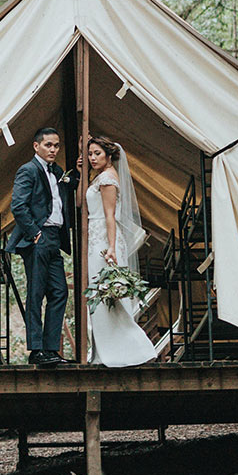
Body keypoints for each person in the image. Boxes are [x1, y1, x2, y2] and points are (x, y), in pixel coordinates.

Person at [77, 136, 157, 367]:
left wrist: (111, 247)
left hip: (104, 239)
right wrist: (81, 170)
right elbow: (81, 203)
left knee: (107, 294)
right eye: (90, 154)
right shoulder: (98, 177)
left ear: (109, 156)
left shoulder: (107, 179)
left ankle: (131, 349)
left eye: (97, 154)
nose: (92, 158)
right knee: (98, 296)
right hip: (95, 238)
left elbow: (110, 216)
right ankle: (104, 351)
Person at [5, 127, 79, 366]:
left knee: (60, 292)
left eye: (56, 145)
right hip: (37, 238)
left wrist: (77, 171)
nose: (53, 149)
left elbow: (66, 191)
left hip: (55, 238)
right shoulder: (28, 170)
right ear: (36, 146)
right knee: (36, 294)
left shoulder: (57, 171)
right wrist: (35, 232)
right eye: (48, 145)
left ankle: (51, 349)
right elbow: (18, 206)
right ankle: (36, 351)